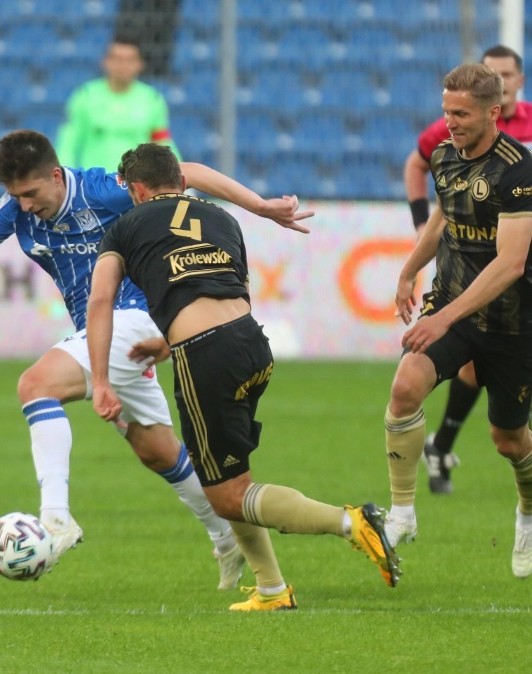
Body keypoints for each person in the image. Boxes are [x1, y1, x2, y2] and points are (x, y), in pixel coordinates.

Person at [0, 129, 309, 590]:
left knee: (35, 386)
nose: (23, 205)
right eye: (15, 196)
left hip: (137, 318)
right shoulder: (12, 210)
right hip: (100, 335)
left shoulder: (102, 189)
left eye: (31, 194)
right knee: (156, 450)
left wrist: (261, 207)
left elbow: (188, 173)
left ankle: (55, 517)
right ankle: (227, 540)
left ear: (56, 176)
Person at [86, 143, 401, 611]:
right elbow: (229, 297)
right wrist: (166, 344)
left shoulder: (124, 227)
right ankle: (272, 589)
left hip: (206, 356)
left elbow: (99, 302)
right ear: (182, 182)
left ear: (135, 189)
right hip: (252, 345)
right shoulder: (224, 221)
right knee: (231, 477)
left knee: (227, 496)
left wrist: (100, 380)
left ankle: (353, 522)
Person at [384, 63, 532, 578]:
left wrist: (442, 317)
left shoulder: (518, 170)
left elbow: (511, 264)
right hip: (452, 304)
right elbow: (441, 219)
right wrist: (409, 271)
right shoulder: (445, 157)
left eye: (461, 114)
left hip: (512, 321)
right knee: (406, 387)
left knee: (507, 440)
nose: (450, 123)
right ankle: (402, 512)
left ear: (493, 113)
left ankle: (528, 512)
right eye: (446, 112)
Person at [55, 36, 179, 171]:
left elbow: (163, 142)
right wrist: (64, 174)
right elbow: (69, 141)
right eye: (117, 59)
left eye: (130, 60)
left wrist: (179, 172)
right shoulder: (85, 96)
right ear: (105, 62)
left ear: (140, 64)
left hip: (136, 184)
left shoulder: (151, 99)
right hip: (95, 185)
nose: (123, 65)